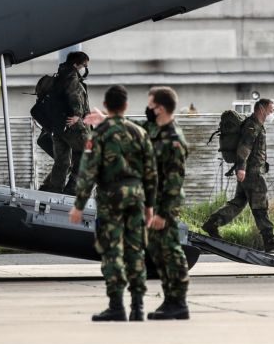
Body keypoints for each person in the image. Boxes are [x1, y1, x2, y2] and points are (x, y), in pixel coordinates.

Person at [69, 86, 157, 322]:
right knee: (135, 250)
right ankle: (138, 306)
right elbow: (151, 172)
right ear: (126, 106)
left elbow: (88, 172)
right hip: (136, 197)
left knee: (112, 252)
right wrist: (149, 206)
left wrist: (79, 205)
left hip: (110, 198)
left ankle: (117, 306)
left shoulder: (98, 134)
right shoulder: (139, 133)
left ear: (106, 107)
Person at [201, 99, 274, 252]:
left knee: (238, 202)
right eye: (271, 109)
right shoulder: (252, 125)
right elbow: (244, 147)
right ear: (261, 109)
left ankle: (213, 223)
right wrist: (241, 168)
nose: (272, 113)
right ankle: (269, 239)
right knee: (260, 205)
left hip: (250, 171)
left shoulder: (256, 124)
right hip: (253, 173)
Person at [142, 86, 191, 320]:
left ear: (160, 108)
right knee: (157, 252)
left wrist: (162, 213)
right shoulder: (155, 130)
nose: (148, 109)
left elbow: (174, 181)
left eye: (150, 105)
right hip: (153, 203)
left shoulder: (173, 140)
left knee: (170, 251)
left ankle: (178, 302)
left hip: (166, 205)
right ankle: (170, 299)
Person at [40, 51, 91, 195]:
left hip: (57, 127)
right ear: (76, 64)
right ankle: (72, 188)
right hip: (72, 125)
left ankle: (54, 190)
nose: (84, 68)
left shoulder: (59, 75)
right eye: (83, 65)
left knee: (62, 161)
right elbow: (74, 97)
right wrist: (77, 115)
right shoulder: (72, 77)